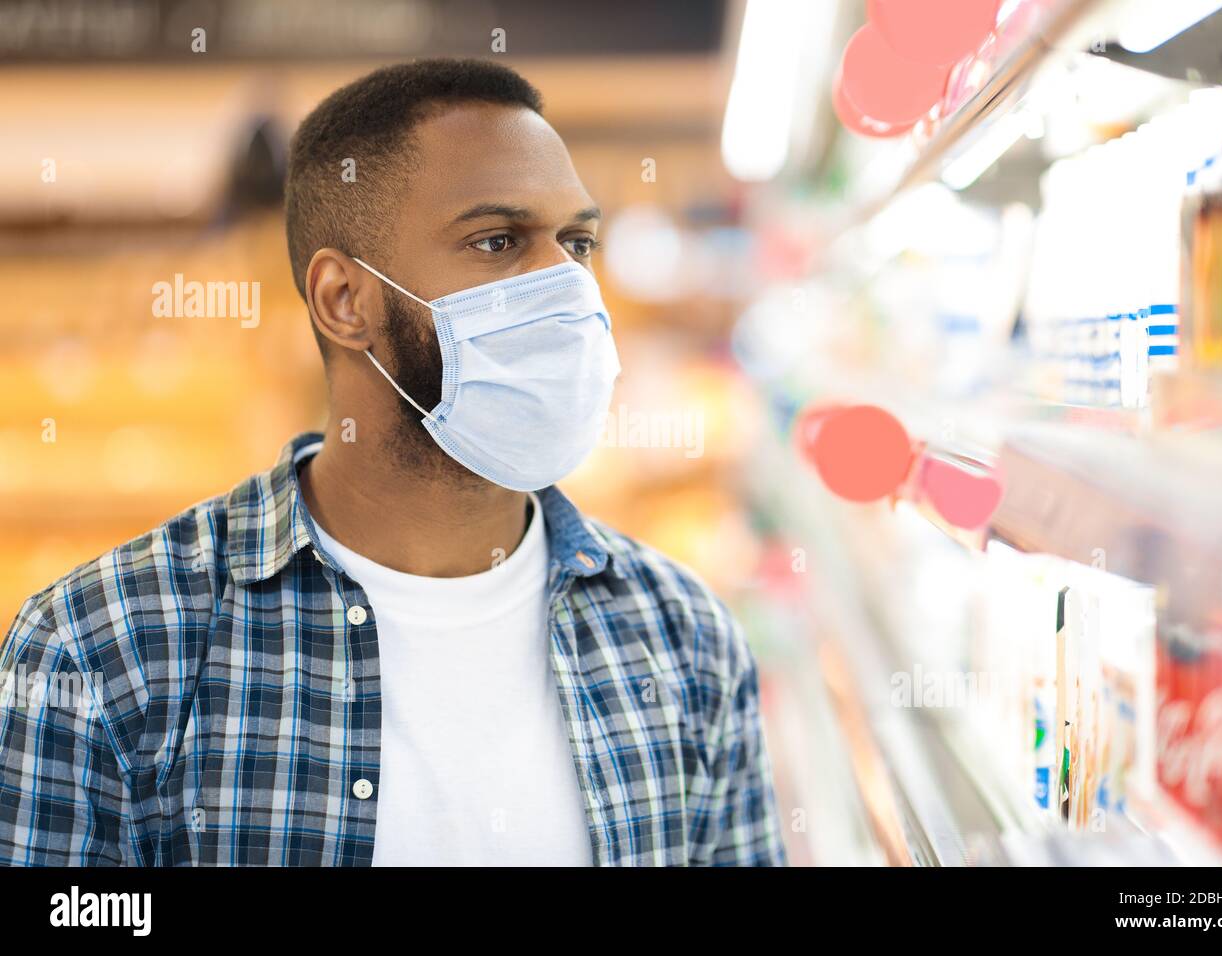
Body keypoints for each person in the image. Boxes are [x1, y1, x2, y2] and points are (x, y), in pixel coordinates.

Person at [0, 58, 786, 866]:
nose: (570, 291)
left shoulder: (689, 646)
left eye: (577, 241)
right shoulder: (101, 655)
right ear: (345, 300)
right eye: (497, 241)